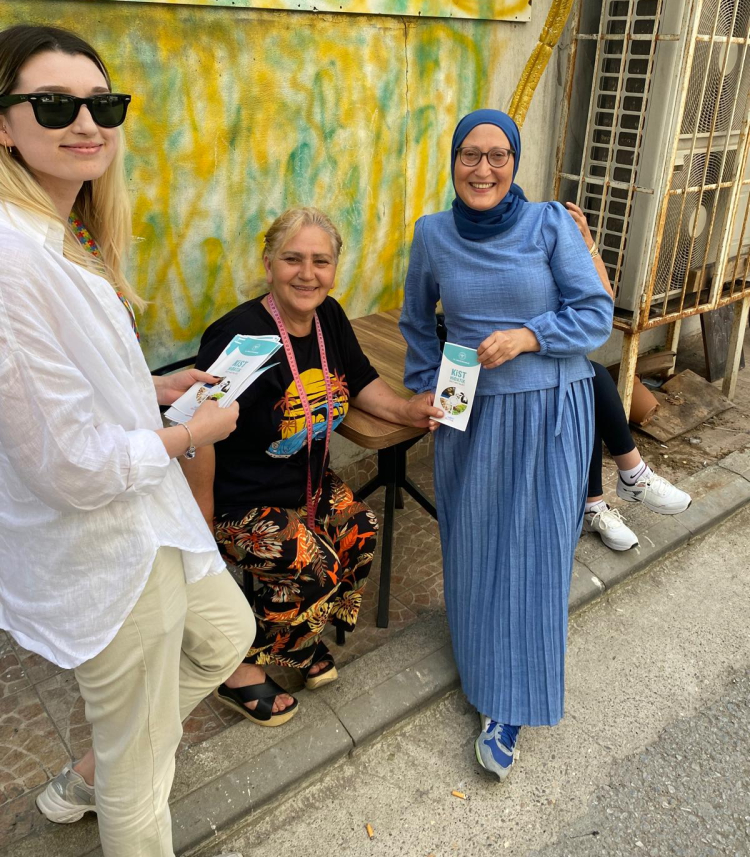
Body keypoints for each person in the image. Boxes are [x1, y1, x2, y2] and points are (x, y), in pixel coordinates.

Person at [0, 24, 253, 857]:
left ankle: (93, 774)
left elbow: (63, 393)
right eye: (53, 104)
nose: (86, 122)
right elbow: (71, 465)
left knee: (226, 636)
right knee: (142, 787)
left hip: (147, 519)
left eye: (102, 104)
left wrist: (153, 389)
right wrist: (192, 434)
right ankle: (112, 777)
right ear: (4, 124)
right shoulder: (12, 259)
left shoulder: (61, 230)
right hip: (105, 547)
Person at [399, 108, 613, 780]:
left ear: (515, 163)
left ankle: (510, 706)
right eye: (471, 154)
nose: (484, 168)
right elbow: (416, 321)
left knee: (536, 555)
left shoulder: (549, 223)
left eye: (498, 155)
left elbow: (596, 314)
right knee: (473, 543)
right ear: (453, 162)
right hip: (468, 408)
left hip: (550, 407)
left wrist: (528, 336)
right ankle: (482, 665)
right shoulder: (432, 234)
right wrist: (425, 387)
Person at [182, 207, 441, 724]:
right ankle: (239, 670)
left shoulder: (328, 317)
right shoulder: (240, 338)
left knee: (361, 532)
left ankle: (299, 637)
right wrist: (200, 526)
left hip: (304, 483)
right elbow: (196, 436)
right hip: (238, 499)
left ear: (334, 269)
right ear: (268, 264)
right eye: (292, 259)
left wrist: (405, 409)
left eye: (320, 261)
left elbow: (359, 380)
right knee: (314, 566)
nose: (307, 274)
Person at [564, 202, 691, 552]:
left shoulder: (542, 229)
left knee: (585, 378)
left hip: (541, 355)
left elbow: (602, 304)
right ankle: (630, 477)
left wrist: (588, 243)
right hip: (504, 364)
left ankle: (596, 503)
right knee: (588, 376)